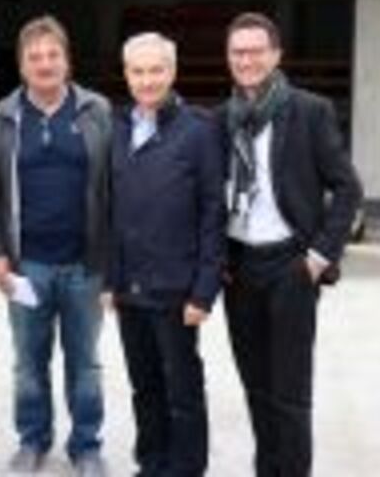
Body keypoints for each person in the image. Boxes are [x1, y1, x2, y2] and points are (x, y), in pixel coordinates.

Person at [220, 12, 362, 477]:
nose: (247, 60)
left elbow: (348, 188)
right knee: (256, 388)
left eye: (256, 51)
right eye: (238, 52)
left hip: (291, 266)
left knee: (290, 394)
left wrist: (319, 257)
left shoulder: (309, 111)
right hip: (239, 268)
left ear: (276, 55)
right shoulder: (222, 119)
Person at [0, 15, 111, 476]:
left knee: (86, 364)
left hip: (85, 266)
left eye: (52, 54)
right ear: (21, 65)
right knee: (28, 364)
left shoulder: (96, 112)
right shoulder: (1, 118)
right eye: (34, 57)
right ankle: (33, 440)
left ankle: (86, 446)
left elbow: (113, 189)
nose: (44, 64)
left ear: (67, 60)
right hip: (27, 268)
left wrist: (111, 266)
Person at [103, 32, 225, 477]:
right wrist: (110, 281)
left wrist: (204, 290)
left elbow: (213, 212)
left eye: (156, 70)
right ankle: (152, 462)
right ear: (126, 75)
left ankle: (186, 468)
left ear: (172, 72)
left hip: (177, 288)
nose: (147, 80)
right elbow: (111, 209)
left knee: (182, 388)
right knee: (144, 385)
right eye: (138, 71)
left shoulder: (199, 129)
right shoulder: (118, 128)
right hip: (130, 287)